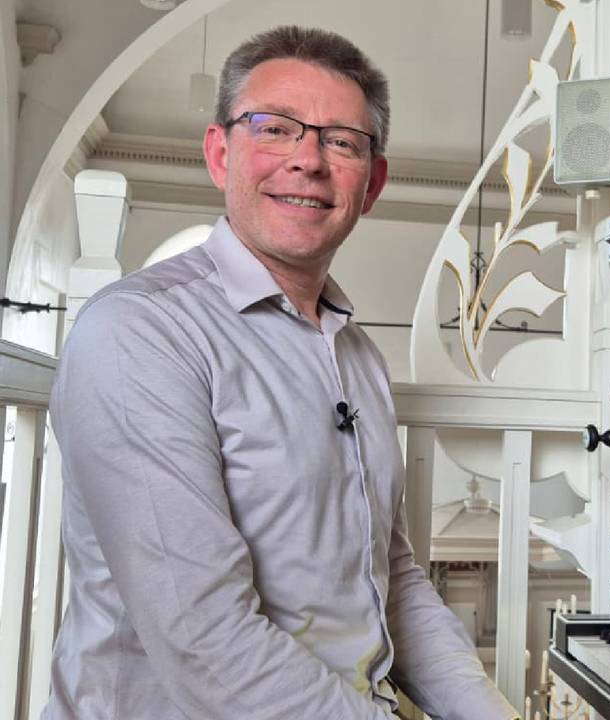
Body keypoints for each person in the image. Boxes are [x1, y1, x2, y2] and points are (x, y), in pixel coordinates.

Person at [43, 25, 518, 720]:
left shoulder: (355, 355)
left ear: (372, 182)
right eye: (274, 128)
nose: (308, 161)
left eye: (341, 141)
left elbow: (395, 583)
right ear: (219, 153)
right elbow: (204, 641)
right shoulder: (138, 332)